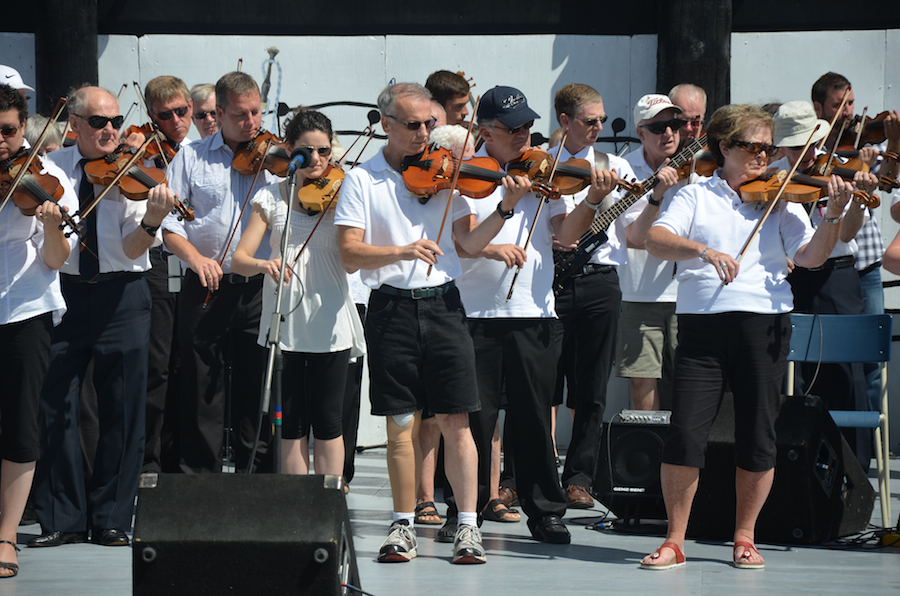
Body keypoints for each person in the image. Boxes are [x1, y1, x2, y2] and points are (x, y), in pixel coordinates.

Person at [641, 103, 855, 570]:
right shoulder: (693, 196)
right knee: (684, 434)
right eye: (753, 147)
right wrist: (703, 249)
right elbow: (656, 240)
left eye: (769, 148)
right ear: (724, 148)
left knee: (758, 435)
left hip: (764, 323)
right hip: (703, 325)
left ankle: (745, 536)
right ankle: (675, 539)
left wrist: (834, 216)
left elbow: (813, 257)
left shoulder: (783, 200)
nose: (765, 156)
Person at [335, 82, 525, 565]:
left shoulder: (447, 173)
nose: (426, 134)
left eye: (430, 124)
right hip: (391, 306)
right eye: (414, 125)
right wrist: (402, 249)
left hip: (443, 304)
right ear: (386, 125)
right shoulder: (362, 179)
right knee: (400, 421)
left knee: (456, 418)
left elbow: (467, 242)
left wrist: (503, 209)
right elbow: (350, 253)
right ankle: (402, 524)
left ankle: (466, 525)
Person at [452, 85, 619, 544]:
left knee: (532, 419)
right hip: (476, 313)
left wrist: (588, 202)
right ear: (486, 131)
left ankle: (544, 508)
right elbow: (466, 242)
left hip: (534, 311)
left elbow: (565, 234)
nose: (525, 135)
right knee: (475, 419)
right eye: (513, 129)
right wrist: (506, 207)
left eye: (528, 126)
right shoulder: (467, 176)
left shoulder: (545, 173)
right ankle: (463, 510)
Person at [30, 85, 174, 548]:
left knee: (125, 406)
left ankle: (113, 517)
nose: (111, 130)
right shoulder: (51, 170)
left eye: (114, 121)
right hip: (65, 292)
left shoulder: (133, 174)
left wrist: (152, 222)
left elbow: (133, 249)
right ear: (74, 126)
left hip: (123, 294)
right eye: (99, 122)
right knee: (56, 404)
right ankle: (62, 518)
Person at [231, 110, 365, 475]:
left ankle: (327, 506)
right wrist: (264, 265)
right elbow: (239, 259)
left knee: (328, 420)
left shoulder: (346, 192)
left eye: (324, 150)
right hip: (285, 318)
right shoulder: (270, 197)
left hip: (330, 317)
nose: (318, 160)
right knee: (290, 423)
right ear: (291, 150)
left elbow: (354, 260)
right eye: (308, 151)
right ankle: (297, 509)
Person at [163, 71, 280, 474]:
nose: (252, 123)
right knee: (201, 386)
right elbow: (170, 224)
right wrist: (195, 258)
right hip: (206, 284)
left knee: (257, 386)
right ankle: (201, 482)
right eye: (241, 115)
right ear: (220, 112)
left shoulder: (274, 159)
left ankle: (257, 477)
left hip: (258, 286)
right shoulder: (191, 157)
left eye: (256, 113)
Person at [769, 100, 879, 468]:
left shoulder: (838, 172)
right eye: (795, 146)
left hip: (837, 277)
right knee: (795, 375)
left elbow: (847, 233)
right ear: (781, 146)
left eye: (810, 144)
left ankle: (853, 468)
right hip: (792, 279)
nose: (806, 154)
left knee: (846, 373)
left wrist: (855, 203)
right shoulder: (770, 176)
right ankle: (797, 463)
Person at [0, 83, 77, 576]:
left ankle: (4, 537)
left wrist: (51, 226)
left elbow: (56, 259)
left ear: (22, 129)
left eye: (7, 132)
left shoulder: (44, 179)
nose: (0, 141)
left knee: (20, 424)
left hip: (23, 310)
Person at [549, 83, 638, 509]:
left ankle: (579, 477)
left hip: (601, 280)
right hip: (549, 280)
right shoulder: (543, 165)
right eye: (591, 120)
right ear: (565, 122)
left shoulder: (615, 165)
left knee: (592, 385)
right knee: (541, 382)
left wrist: (654, 196)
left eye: (603, 119)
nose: (600, 127)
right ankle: (525, 475)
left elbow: (637, 230)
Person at [812, 72, 900, 416]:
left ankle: (867, 440)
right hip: (830, 267)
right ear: (819, 107)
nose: (848, 111)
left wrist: (892, 144)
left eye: (850, 102)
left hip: (867, 264)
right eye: (838, 105)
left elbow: (889, 181)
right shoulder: (812, 149)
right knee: (827, 358)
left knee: (871, 358)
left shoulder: (867, 141)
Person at [618, 94, 692, 411]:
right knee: (642, 379)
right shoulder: (624, 168)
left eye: (675, 124)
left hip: (688, 291)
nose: (670, 133)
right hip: (639, 292)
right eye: (659, 126)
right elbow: (635, 237)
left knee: (691, 380)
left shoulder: (697, 170)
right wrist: (657, 194)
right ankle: (648, 454)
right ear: (641, 132)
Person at [139, 75, 194, 474]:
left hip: (193, 262)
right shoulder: (141, 154)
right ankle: (150, 461)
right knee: (157, 365)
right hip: (157, 262)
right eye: (164, 115)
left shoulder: (202, 151)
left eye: (181, 111)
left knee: (188, 363)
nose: (175, 121)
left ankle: (182, 457)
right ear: (150, 116)